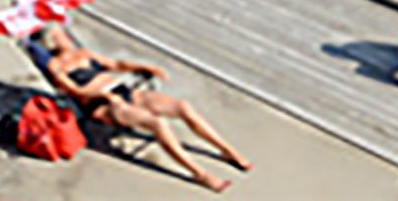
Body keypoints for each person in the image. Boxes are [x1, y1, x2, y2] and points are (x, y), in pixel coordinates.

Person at [38, 25, 250, 193]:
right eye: (59, 35)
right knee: (157, 124)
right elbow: (74, 90)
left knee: (182, 107)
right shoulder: (56, 66)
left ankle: (227, 151)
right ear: (52, 42)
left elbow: (116, 65)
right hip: (103, 104)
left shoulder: (84, 53)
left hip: (125, 92)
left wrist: (144, 67)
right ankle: (200, 174)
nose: (65, 37)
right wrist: (104, 96)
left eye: (63, 33)